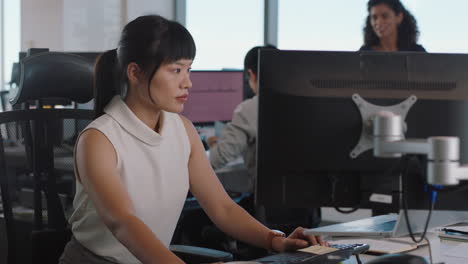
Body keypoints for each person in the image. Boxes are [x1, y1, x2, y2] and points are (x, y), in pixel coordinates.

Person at [59, 15, 326, 264]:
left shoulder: (182, 129)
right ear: (135, 73)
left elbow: (222, 208)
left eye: (189, 69)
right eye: (176, 70)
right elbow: (123, 222)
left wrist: (276, 240)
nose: (188, 83)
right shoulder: (99, 139)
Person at [208, 46, 321, 234]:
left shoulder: (251, 109)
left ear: (251, 74)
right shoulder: (308, 104)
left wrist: (212, 143)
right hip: (310, 210)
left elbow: (217, 160)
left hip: (270, 215)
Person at [360, 0, 425, 52]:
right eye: (374, 17)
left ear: (399, 17)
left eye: (385, 16)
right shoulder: (363, 54)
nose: (379, 22)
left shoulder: (417, 52)